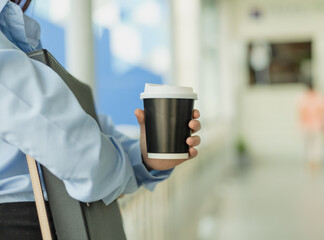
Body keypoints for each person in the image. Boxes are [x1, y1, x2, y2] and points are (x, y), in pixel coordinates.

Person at [0, 0, 201, 238]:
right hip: (22, 223)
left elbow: (75, 121)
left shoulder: (14, 29)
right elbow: (80, 155)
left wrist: (144, 159)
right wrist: (128, 166)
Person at [298, 82, 324, 170]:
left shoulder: (304, 98)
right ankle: (317, 162)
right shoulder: (319, 97)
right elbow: (323, 111)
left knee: (309, 145)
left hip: (308, 126)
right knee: (317, 144)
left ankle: (311, 162)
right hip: (317, 125)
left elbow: (301, 113)